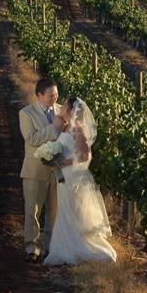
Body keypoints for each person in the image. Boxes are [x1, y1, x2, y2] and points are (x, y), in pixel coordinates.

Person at [44, 97, 116, 265]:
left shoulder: (77, 129)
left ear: (70, 111)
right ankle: (63, 248)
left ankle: (80, 249)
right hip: (65, 175)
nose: (60, 108)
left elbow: (85, 156)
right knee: (65, 211)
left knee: (72, 211)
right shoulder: (67, 127)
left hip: (72, 176)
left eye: (64, 107)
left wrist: (62, 163)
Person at [19, 77, 64, 263]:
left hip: (56, 170)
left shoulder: (61, 111)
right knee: (33, 210)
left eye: (56, 95)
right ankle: (32, 246)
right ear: (39, 95)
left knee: (54, 212)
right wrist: (53, 128)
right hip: (35, 170)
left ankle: (49, 247)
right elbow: (32, 139)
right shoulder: (26, 113)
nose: (54, 99)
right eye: (50, 96)